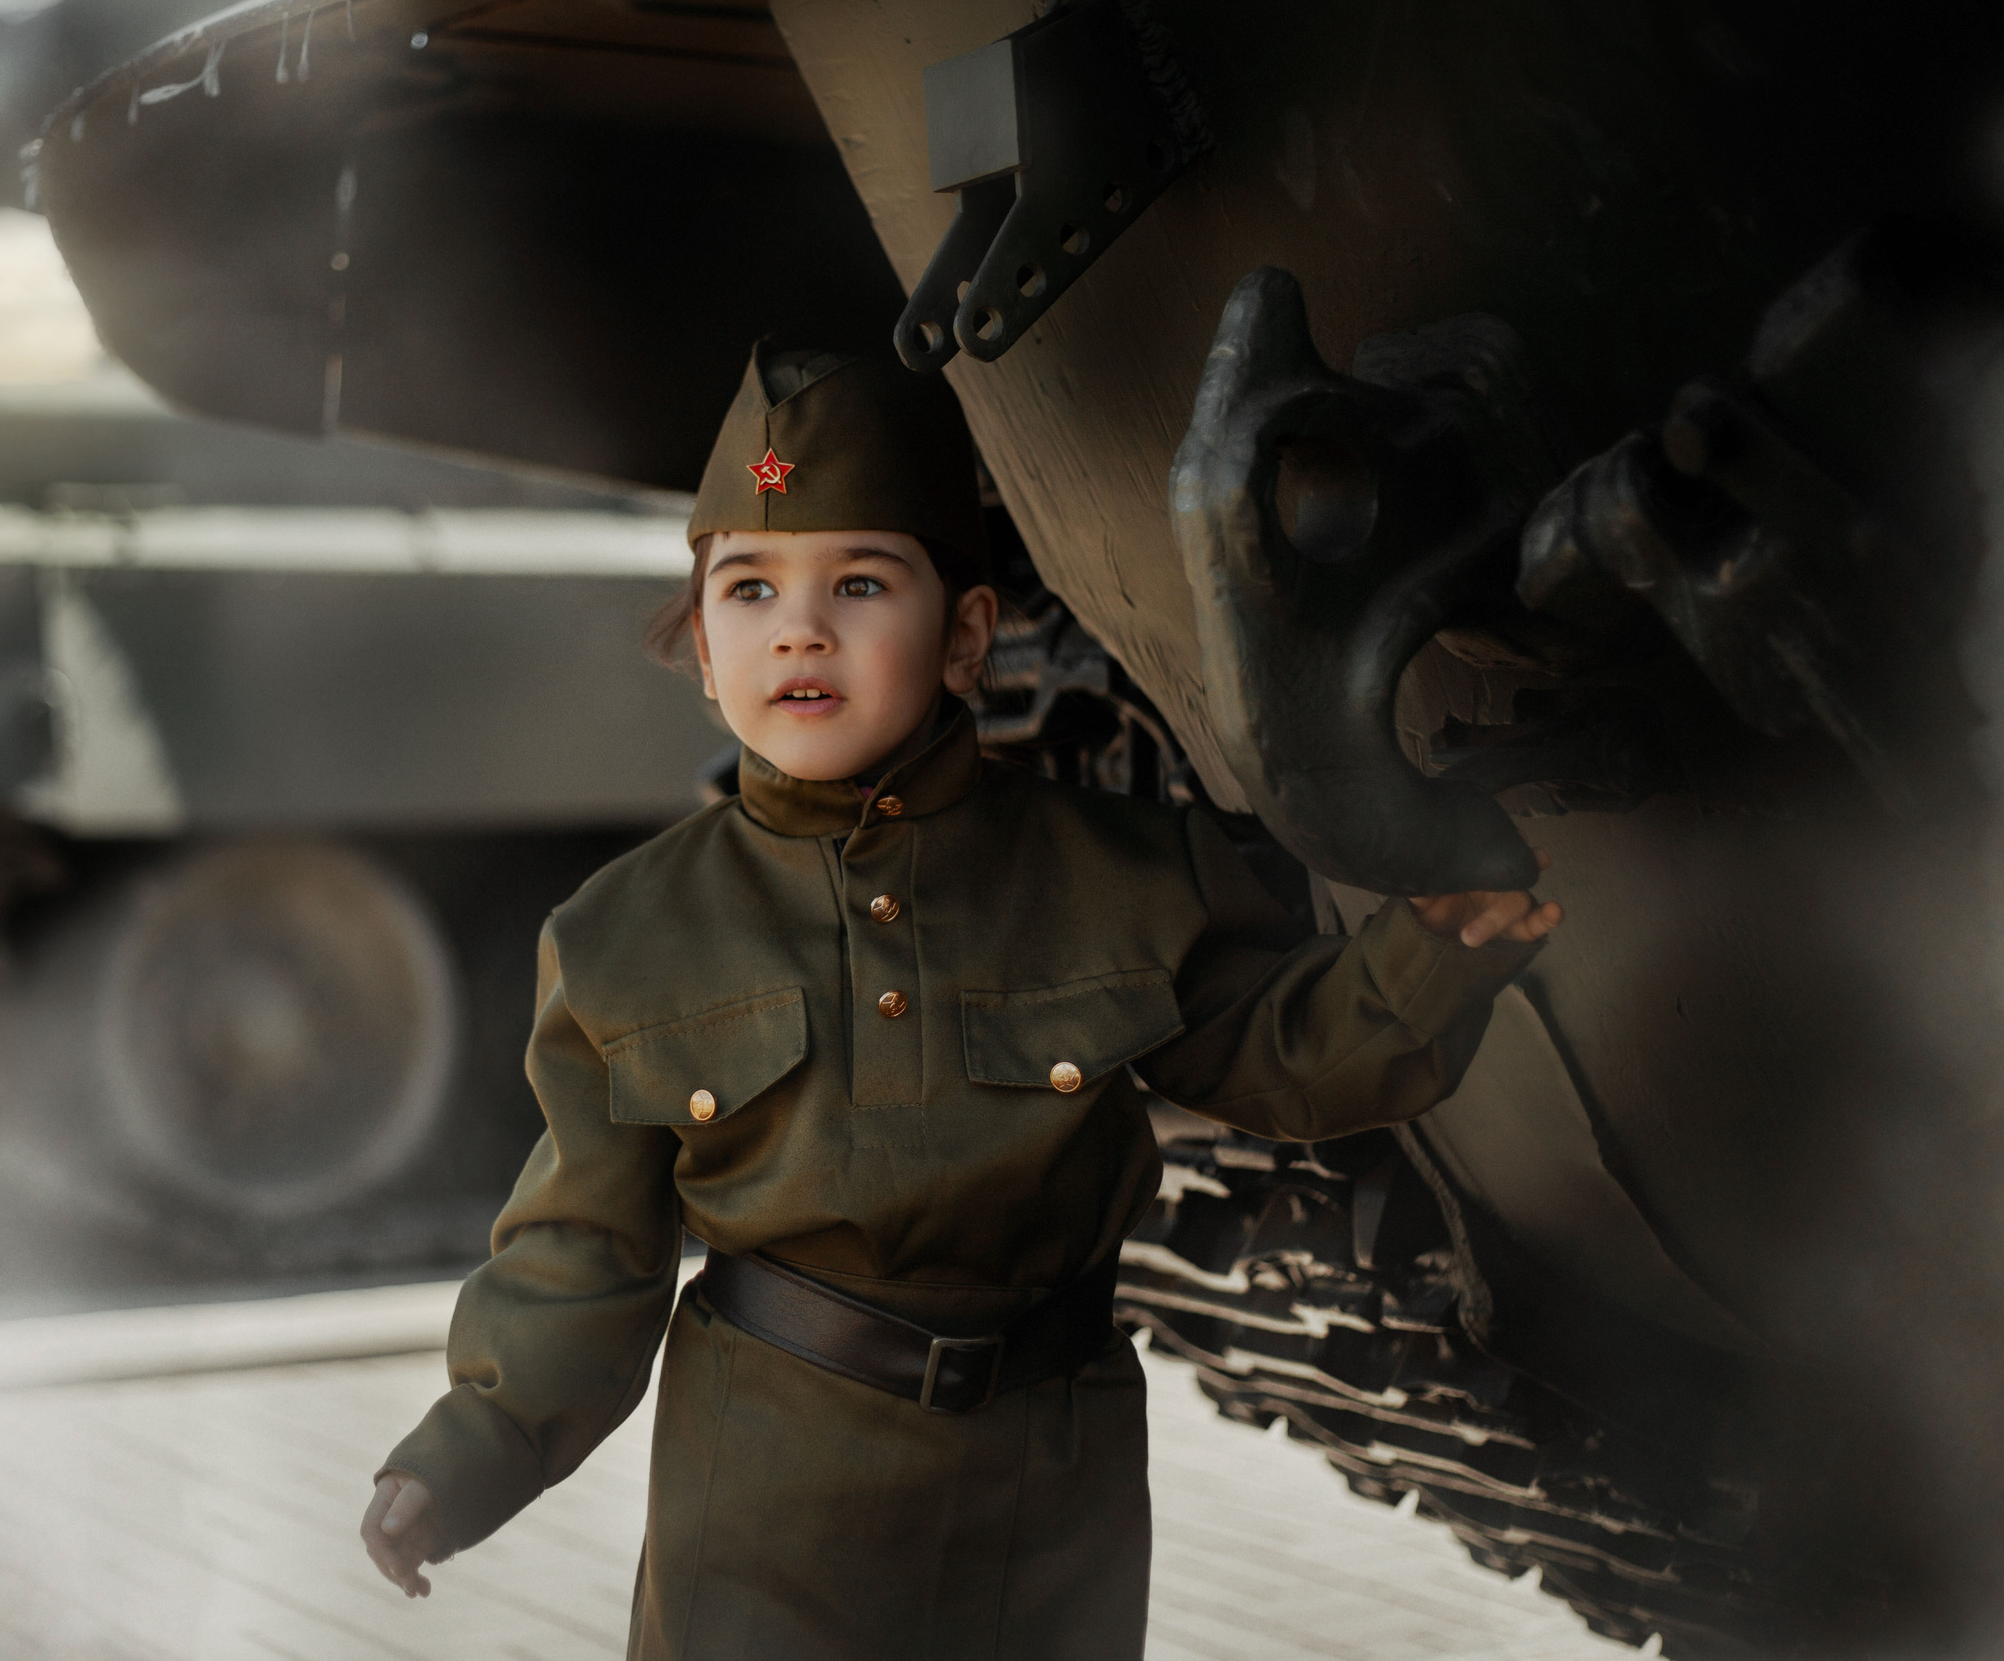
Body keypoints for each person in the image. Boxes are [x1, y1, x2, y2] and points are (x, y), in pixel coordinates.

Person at [359, 342, 1562, 1658]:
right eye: (749, 589)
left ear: (968, 637)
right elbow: (580, 1253)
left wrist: (1427, 957)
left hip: (1052, 1491)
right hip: (771, 1491)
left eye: (860, 583)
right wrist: (462, 1457)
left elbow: (1282, 1058)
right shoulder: (626, 938)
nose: (800, 628)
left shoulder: (1115, 874)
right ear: (704, 649)